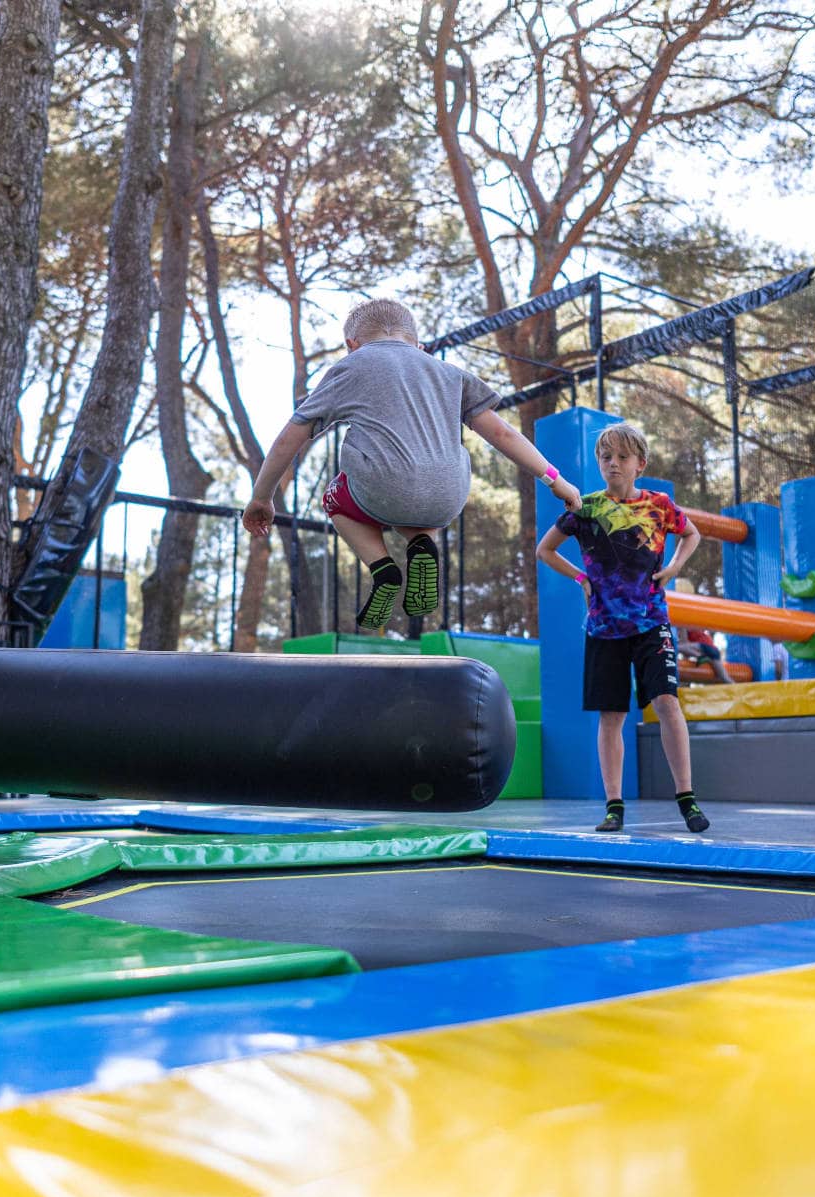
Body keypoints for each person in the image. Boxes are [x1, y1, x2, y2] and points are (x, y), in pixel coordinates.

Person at [242, 299, 582, 629]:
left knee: (337, 495)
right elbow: (504, 434)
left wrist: (262, 497)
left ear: (351, 344)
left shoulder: (352, 366)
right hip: (446, 499)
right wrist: (556, 480)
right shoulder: (449, 373)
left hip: (381, 489)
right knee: (423, 483)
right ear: (417, 343)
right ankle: (423, 542)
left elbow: (292, 435)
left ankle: (382, 568)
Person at [535, 422, 709, 834]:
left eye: (622, 457)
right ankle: (614, 805)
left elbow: (692, 533)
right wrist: (582, 579)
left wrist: (675, 567)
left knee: (666, 702)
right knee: (611, 715)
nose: (613, 463)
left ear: (640, 464)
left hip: (652, 622)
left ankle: (686, 797)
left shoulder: (659, 504)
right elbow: (544, 550)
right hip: (603, 627)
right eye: (605, 457)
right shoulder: (584, 507)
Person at [669, 579, 733, 684]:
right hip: (713, 650)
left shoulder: (683, 620)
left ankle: (701, 657)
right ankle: (741, 694)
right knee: (724, 677)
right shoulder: (693, 619)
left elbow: (684, 643)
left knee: (674, 646)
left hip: (704, 648)